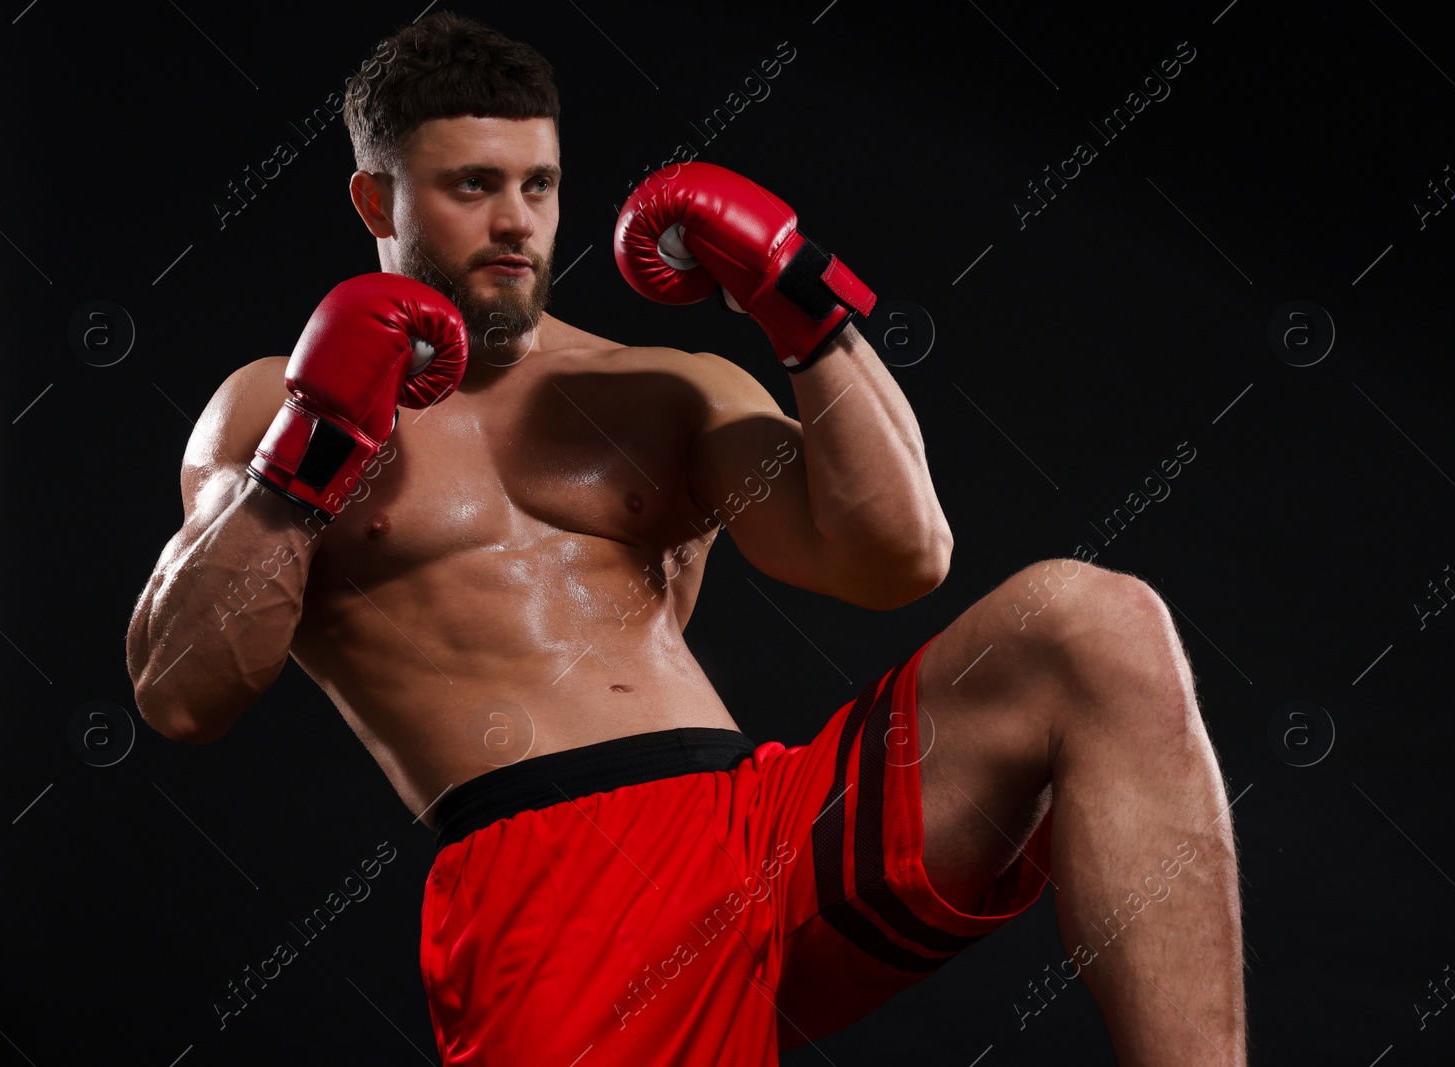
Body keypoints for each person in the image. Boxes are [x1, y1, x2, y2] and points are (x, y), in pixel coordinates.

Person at [126, 11, 1246, 1065]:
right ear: (377, 199)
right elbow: (182, 692)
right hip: (549, 888)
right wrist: (311, 452)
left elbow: (897, 557)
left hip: (762, 828)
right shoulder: (268, 405)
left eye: (539, 184)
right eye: (473, 186)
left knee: (1095, 626)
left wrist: (797, 299)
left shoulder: (661, 387)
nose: (517, 221)